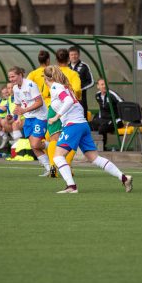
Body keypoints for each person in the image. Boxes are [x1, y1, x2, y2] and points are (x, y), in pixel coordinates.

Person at [44, 65, 132, 194]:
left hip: (73, 125)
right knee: (94, 158)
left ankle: (71, 186)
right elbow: (76, 104)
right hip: (82, 125)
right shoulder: (65, 87)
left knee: (57, 157)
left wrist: (57, 116)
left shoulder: (56, 87)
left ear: (46, 78)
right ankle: (123, 177)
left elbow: (68, 101)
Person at [8, 66, 50, 176]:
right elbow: (18, 104)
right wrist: (17, 118)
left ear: (20, 75)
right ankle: (49, 168)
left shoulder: (31, 85)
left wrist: (24, 110)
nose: (11, 79)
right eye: (10, 77)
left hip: (40, 117)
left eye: (13, 76)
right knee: (33, 146)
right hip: (28, 118)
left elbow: (39, 102)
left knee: (36, 144)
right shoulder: (15, 88)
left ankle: (50, 145)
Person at [90, 78, 124, 151]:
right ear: (98, 86)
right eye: (102, 84)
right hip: (103, 120)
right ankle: (89, 148)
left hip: (115, 120)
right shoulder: (97, 95)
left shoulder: (112, 94)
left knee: (102, 128)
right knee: (88, 126)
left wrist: (122, 117)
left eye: (105, 84)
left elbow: (122, 104)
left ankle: (102, 149)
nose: (104, 86)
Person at [68, 46, 94, 118]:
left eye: (75, 54)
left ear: (79, 55)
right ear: (69, 56)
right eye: (72, 55)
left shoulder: (84, 66)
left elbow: (91, 82)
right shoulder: (66, 66)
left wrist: (80, 89)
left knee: (82, 115)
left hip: (81, 97)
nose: (74, 56)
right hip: (68, 96)